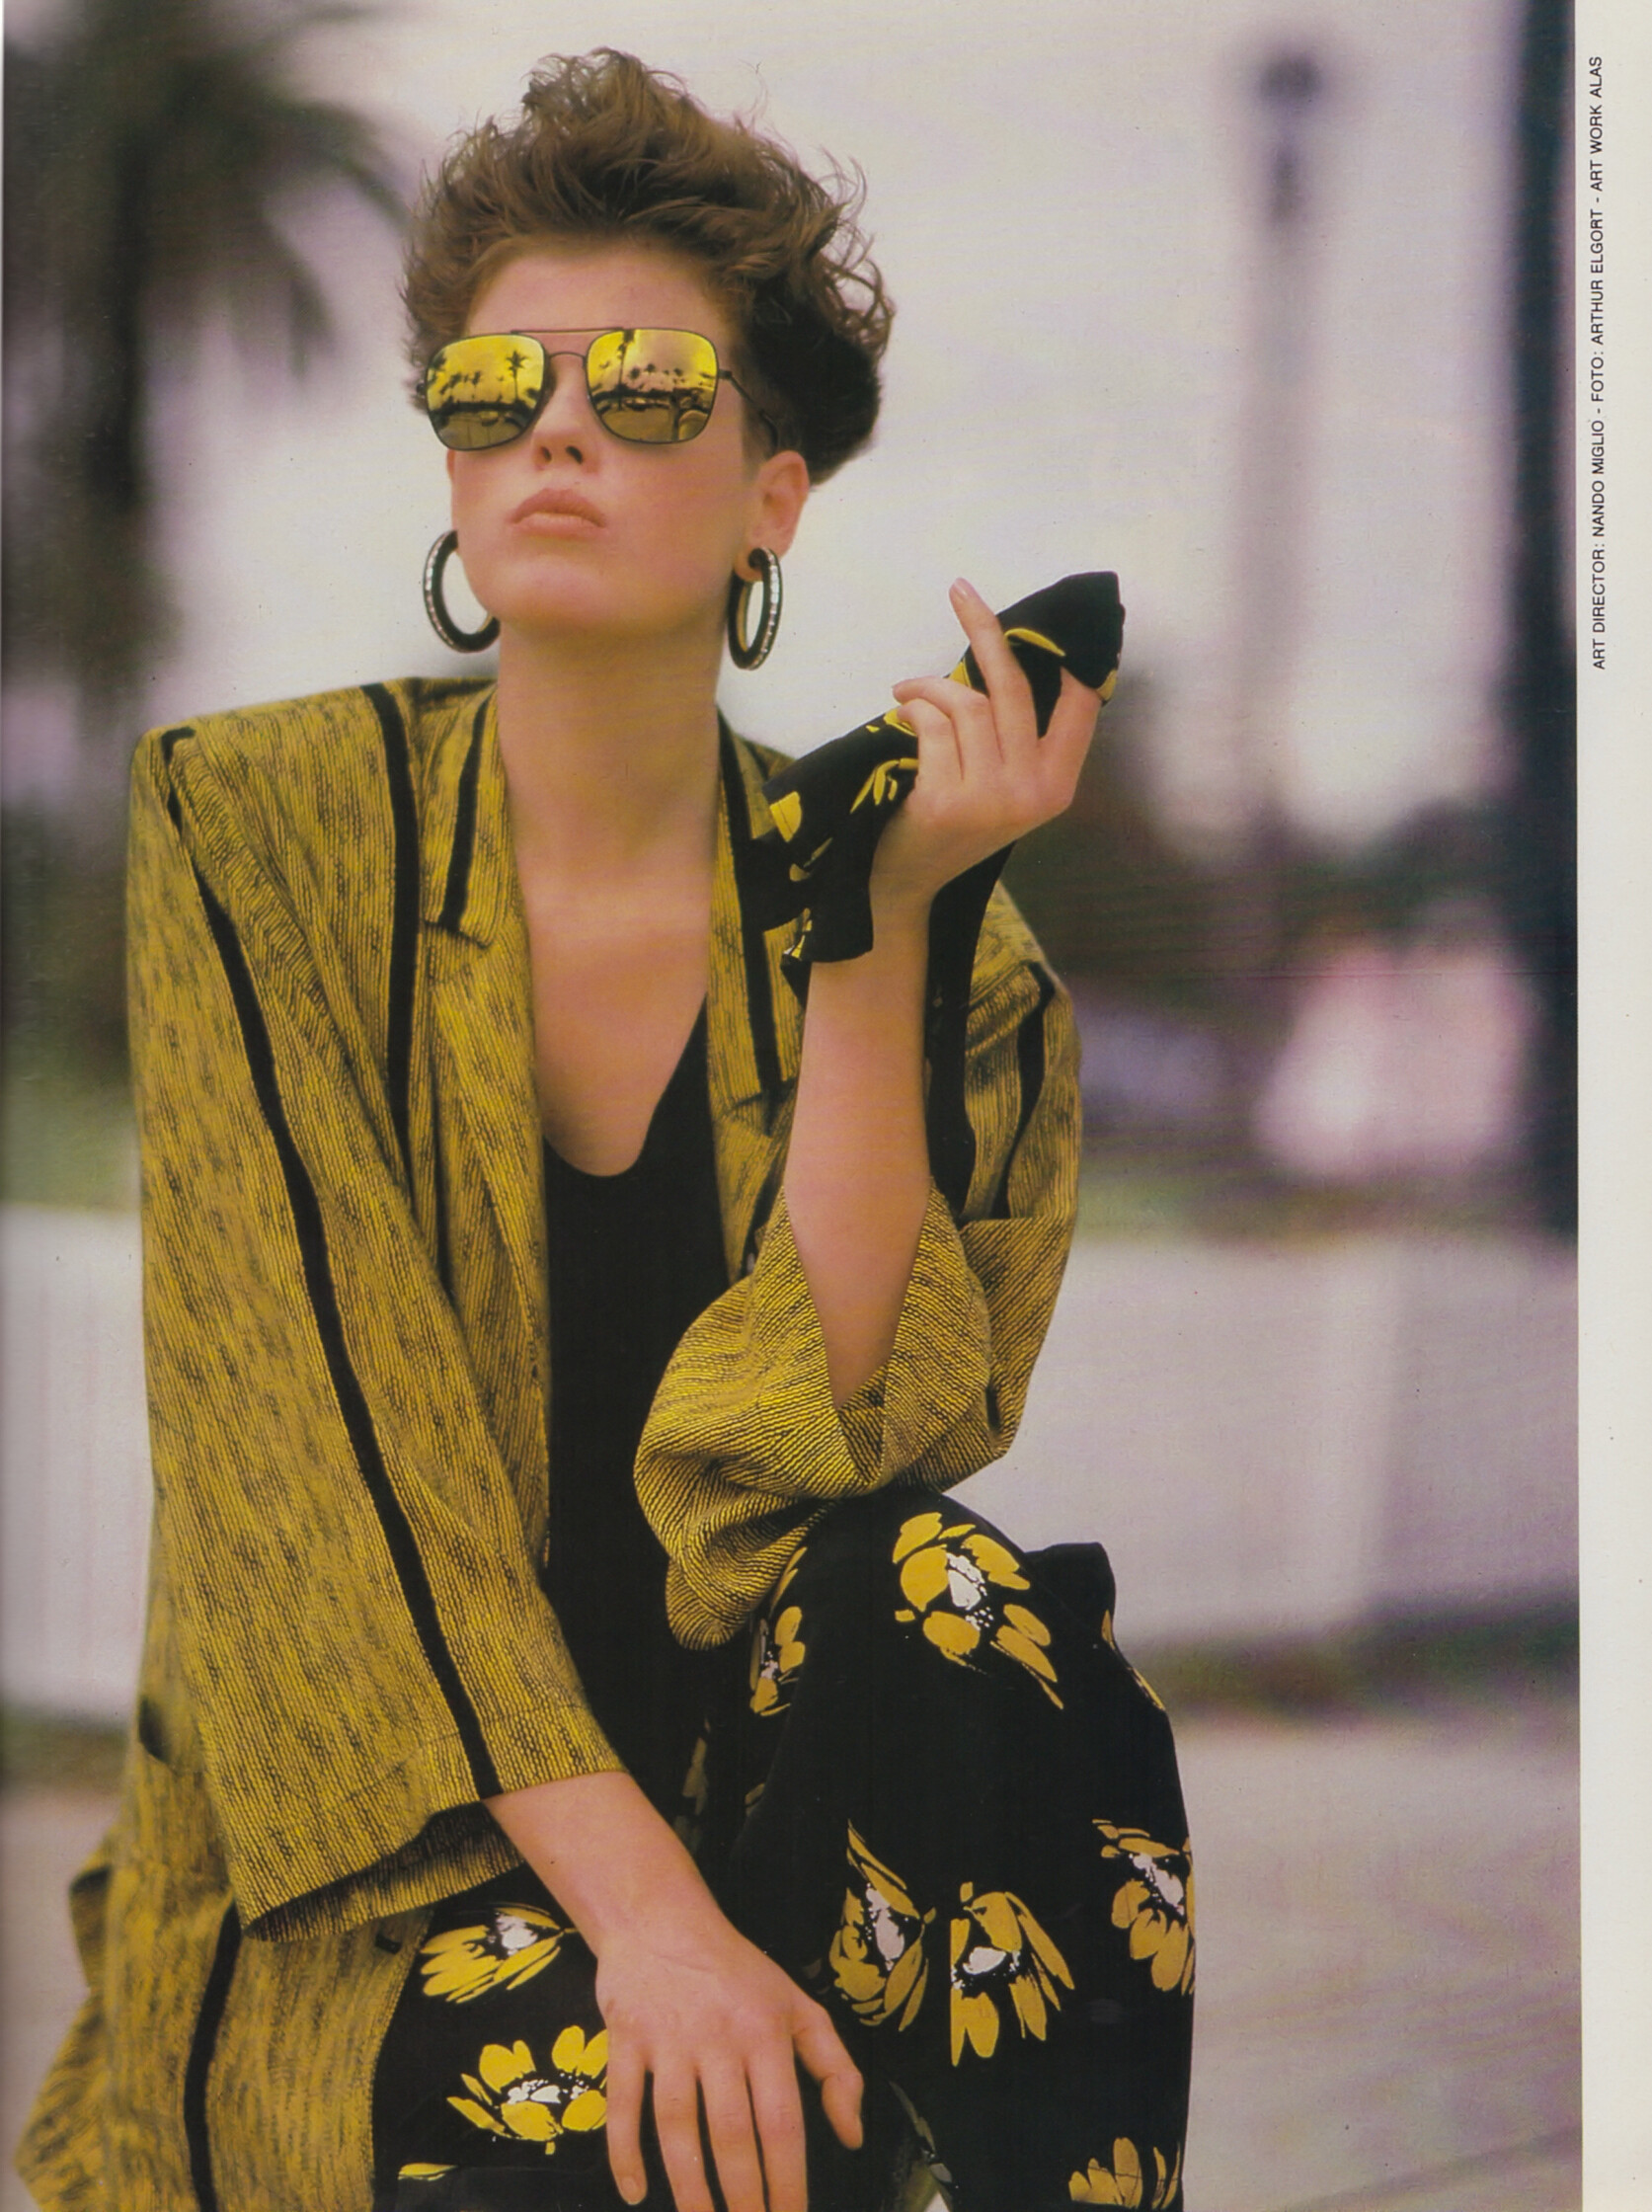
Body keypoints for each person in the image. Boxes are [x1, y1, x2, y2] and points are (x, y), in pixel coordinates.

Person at [18, 50, 1192, 2212]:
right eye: (496, 389)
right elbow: (320, 1466)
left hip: (763, 1817)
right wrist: (652, 1931)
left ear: (771, 496)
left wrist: (877, 934)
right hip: (379, 1873)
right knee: (723, 2151)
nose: (557, 430)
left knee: (950, 1593)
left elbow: (838, 1457)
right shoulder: (255, 827)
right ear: (454, 458)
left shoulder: (945, 943)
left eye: (649, 389)